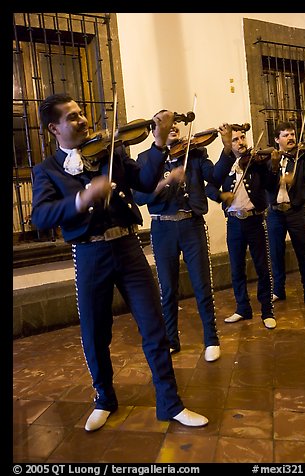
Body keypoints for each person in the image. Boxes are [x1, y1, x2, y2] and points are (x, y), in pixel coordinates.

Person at [31, 93, 209, 432]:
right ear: (54, 128)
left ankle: (170, 403)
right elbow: (40, 216)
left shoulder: (111, 151)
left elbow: (143, 182)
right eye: (72, 117)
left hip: (127, 247)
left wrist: (158, 143)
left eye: (81, 112)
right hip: (88, 253)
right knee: (95, 332)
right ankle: (104, 399)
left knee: (154, 327)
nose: (83, 120)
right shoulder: (47, 170)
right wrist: (81, 198)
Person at [133, 121, 220, 361]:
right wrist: (166, 181)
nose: (173, 127)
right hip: (162, 227)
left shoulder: (195, 153)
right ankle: (171, 339)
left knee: (202, 284)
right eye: (165, 125)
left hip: (191, 224)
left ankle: (211, 339)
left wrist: (226, 148)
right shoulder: (145, 159)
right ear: (155, 132)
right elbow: (140, 197)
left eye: (175, 124)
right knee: (168, 288)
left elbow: (216, 177)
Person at [205, 123, 276, 329]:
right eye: (235, 139)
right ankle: (242, 308)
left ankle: (267, 311)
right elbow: (210, 186)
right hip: (234, 222)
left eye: (243, 137)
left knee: (262, 267)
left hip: (255, 220)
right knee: (237, 268)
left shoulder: (257, 162)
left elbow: (271, 186)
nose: (240, 142)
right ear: (229, 143)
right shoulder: (224, 165)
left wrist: (270, 165)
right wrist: (220, 196)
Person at [265, 121, 305, 306]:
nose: (291, 138)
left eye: (292, 134)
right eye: (286, 135)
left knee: (303, 253)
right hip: (275, 213)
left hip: (296, 212)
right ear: (277, 139)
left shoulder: (301, 158)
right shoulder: (269, 160)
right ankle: (278, 290)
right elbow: (267, 186)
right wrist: (276, 168)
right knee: (276, 253)